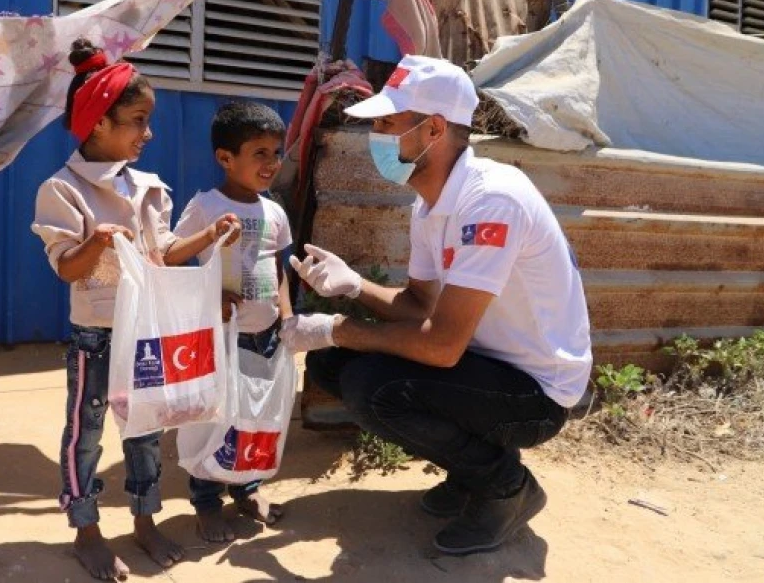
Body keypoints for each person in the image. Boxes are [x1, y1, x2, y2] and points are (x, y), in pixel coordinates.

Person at [279, 55, 592, 555]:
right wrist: (354, 286)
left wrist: (339, 326)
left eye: (387, 123)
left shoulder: (491, 201)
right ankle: (472, 471)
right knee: (333, 364)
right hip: (486, 365)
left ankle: (504, 486)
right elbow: (420, 305)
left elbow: (442, 345)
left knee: (371, 385)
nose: (375, 135)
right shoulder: (428, 204)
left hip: (536, 392)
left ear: (434, 130)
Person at [30, 39, 238, 580]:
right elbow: (66, 269)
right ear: (98, 123)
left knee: (147, 430)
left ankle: (145, 520)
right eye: (137, 121)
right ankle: (87, 530)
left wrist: (208, 236)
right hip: (96, 338)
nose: (148, 134)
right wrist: (96, 243)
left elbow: (161, 254)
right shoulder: (62, 191)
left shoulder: (148, 188)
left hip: (146, 336)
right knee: (88, 431)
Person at [165, 101, 293, 543]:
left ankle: (247, 488)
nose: (272, 163)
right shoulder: (205, 206)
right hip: (221, 339)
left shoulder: (274, 211)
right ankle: (206, 501)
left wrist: (287, 321)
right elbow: (170, 256)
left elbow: (279, 272)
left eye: (277, 152)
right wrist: (210, 293)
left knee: (254, 417)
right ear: (225, 158)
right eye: (259, 153)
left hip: (266, 337)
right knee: (216, 420)